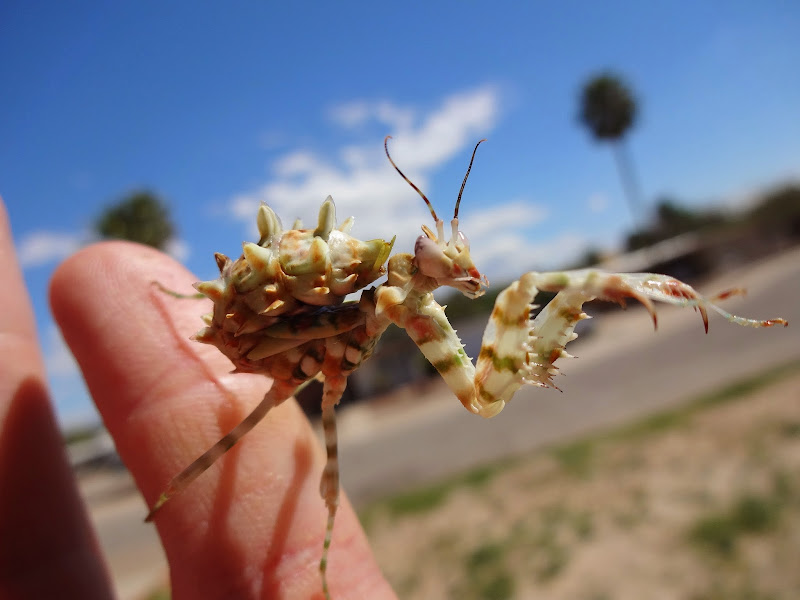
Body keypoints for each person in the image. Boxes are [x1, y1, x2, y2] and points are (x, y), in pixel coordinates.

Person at [0, 198, 396, 599]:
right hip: (271, 344)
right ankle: (183, 499)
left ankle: (317, 559)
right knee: (244, 447)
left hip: (286, 337)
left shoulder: (364, 301)